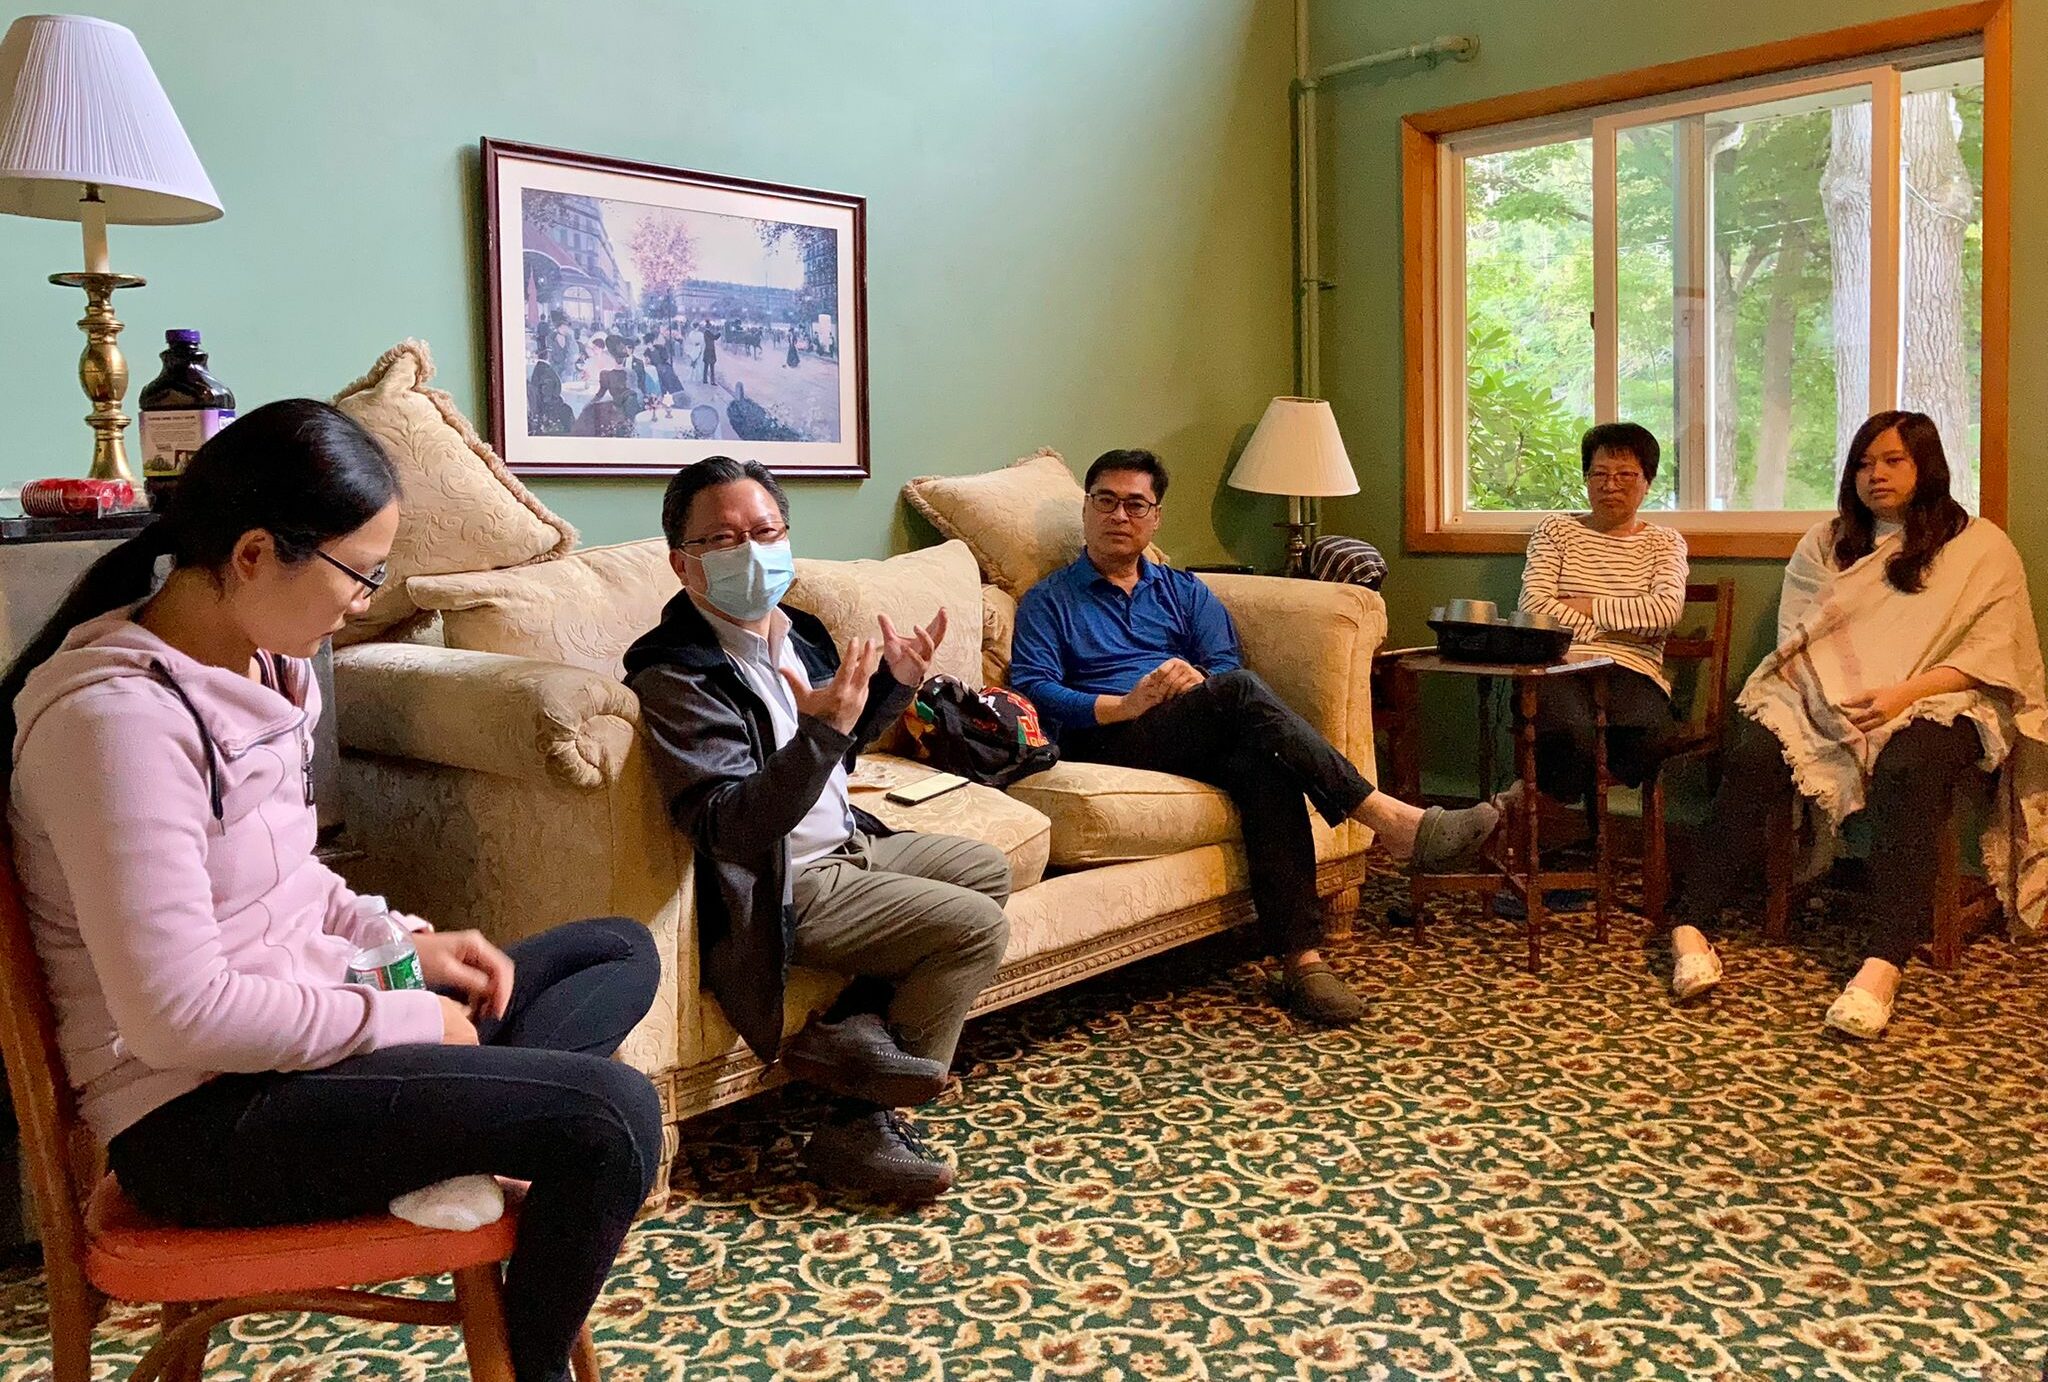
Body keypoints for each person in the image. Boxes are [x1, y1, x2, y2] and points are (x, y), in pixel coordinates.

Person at [1, 400, 663, 1382]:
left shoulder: (265, 665)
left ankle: (452, 1126)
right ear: (255, 554)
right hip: (201, 1120)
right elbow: (179, 1016)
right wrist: (401, 1016)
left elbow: (291, 874)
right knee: (612, 1119)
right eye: (360, 572)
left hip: (294, 1043)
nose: (362, 602)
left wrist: (399, 943)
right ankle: (528, 1350)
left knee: (614, 951)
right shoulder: (118, 725)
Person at [624, 457, 1010, 1204]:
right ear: (681, 562)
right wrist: (824, 731)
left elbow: (840, 745)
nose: (750, 551)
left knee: (988, 869)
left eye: (765, 531)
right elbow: (727, 826)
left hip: (847, 840)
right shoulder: (677, 673)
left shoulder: (798, 629)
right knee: (975, 927)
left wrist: (894, 684)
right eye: (722, 539)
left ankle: (849, 1034)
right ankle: (857, 1125)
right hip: (778, 879)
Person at [1009, 449, 1500, 1027]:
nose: (1119, 515)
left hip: (1182, 724)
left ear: (1155, 518)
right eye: (1106, 501)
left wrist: (1198, 682)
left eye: (1136, 504)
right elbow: (1035, 688)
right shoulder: (1050, 600)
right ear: (1086, 510)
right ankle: (1389, 820)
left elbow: (1222, 661)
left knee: (1265, 761)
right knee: (1242, 692)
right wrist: (1123, 704)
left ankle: (1303, 964)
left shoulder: (1183, 592)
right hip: (1106, 736)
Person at [1664, 411, 2048, 1037]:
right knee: (1753, 757)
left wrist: (1902, 695)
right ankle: (1690, 923)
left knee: (1909, 766)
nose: (1876, 475)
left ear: (1926, 466)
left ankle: (1883, 963)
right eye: (1865, 464)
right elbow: (1799, 642)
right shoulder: (1826, 543)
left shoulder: (1980, 546)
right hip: (1823, 697)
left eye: (1893, 460)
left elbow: (1993, 656)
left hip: (1940, 697)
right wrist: (1839, 706)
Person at [1515, 422, 1688, 807]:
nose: (1611, 485)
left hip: (1633, 670)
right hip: (1560, 665)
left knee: (1650, 734)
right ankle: (1564, 813)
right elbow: (1534, 607)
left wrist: (1584, 606)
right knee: (1567, 731)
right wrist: (1623, 626)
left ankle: (1528, 802)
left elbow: (1664, 612)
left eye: (1625, 474)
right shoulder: (1556, 530)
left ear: (1647, 482)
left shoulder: (1665, 542)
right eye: (1599, 474)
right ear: (1586, 478)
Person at [527, 360, 574, 437]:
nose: (542, 389)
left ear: (555, 384)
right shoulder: (532, 414)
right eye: (540, 385)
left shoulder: (566, 411)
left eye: (546, 384)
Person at [700, 321, 721, 386]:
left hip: (707, 350)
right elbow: (714, 337)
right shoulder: (708, 332)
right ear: (709, 327)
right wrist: (719, 333)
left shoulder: (706, 332)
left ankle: (705, 380)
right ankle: (712, 381)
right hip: (710, 351)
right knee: (711, 367)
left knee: (706, 366)